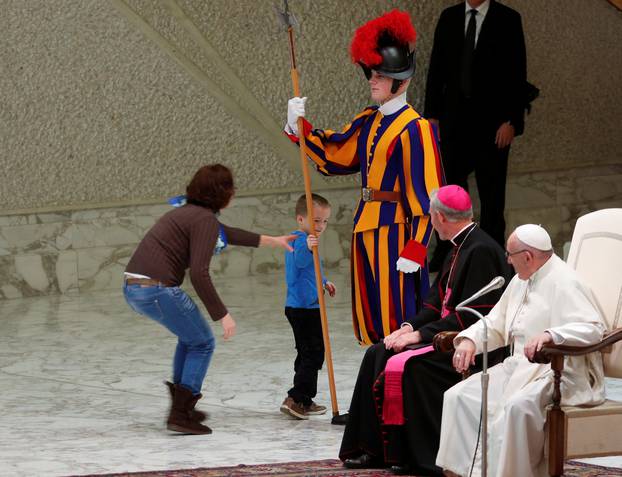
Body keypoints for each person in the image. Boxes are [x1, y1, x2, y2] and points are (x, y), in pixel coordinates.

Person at [285, 9, 443, 345]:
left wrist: (416, 247)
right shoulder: (370, 120)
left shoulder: (416, 129)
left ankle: (397, 382)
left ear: (402, 80)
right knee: (371, 314)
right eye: (372, 72)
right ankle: (377, 377)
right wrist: (298, 128)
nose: (372, 79)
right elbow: (335, 155)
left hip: (397, 231)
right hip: (366, 227)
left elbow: (429, 196)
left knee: (397, 315)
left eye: (381, 75)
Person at [339, 185, 511, 475]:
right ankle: (372, 450)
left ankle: (415, 456)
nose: (431, 222)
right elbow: (436, 301)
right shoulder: (460, 245)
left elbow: (472, 316)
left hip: (469, 345)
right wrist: (408, 327)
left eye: (431, 216)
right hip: (444, 335)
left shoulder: (481, 250)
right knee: (377, 352)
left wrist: (419, 336)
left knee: (412, 368)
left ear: (441, 217)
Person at [123, 164, 295, 435]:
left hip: (135, 287)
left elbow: (227, 233)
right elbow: (200, 274)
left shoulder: (190, 214)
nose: (234, 192)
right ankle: (181, 413)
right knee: (203, 343)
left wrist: (273, 241)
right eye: (231, 187)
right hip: (157, 290)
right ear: (221, 193)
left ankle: (183, 406)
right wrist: (222, 314)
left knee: (190, 339)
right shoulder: (203, 219)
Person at [437, 224, 606, 477]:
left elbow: (594, 329)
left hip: (558, 372)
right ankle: (465, 473)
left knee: (517, 408)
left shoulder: (566, 282)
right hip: (517, 368)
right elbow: (496, 322)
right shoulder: (520, 280)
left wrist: (552, 335)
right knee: (458, 396)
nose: (507, 260)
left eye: (510, 255)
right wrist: (470, 339)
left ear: (527, 257)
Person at [425, 0, 527, 271]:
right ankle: (447, 251)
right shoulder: (449, 18)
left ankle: (493, 256)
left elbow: (518, 72)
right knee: (449, 192)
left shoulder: (508, 19)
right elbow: (436, 68)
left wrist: (512, 121)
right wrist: (432, 117)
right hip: (453, 124)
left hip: (493, 126)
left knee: (492, 196)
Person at [280, 193, 336, 419]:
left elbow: (311, 270)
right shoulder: (298, 241)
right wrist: (308, 246)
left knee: (307, 354)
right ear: (300, 220)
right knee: (313, 354)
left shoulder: (306, 239)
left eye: (324, 221)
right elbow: (301, 262)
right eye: (316, 220)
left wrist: (324, 282)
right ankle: (296, 398)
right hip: (303, 309)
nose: (321, 225)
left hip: (309, 307)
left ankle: (304, 399)